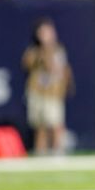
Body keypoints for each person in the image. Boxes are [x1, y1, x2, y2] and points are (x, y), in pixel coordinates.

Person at [22, 18, 73, 155]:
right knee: (40, 127)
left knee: (56, 124)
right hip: (37, 92)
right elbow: (27, 64)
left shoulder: (58, 50)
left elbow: (57, 69)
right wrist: (41, 51)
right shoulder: (33, 50)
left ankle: (58, 153)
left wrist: (47, 49)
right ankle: (41, 154)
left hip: (53, 93)